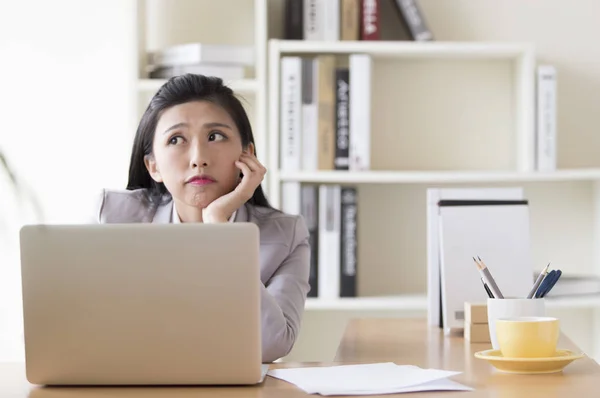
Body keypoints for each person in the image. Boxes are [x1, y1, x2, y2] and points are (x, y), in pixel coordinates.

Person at [91, 73, 311, 363]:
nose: (198, 158)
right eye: (176, 139)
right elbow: (95, 334)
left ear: (247, 155)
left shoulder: (285, 236)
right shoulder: (114, 218)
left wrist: (220, 229)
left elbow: (270, 345)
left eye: (215, 136)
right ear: (153, 166)